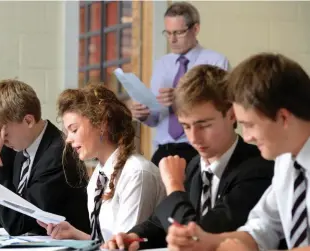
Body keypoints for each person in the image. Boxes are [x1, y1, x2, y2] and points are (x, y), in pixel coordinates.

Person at [104, 65, 274, 251]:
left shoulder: (258, 168)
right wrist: (134, 236)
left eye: (204, 125)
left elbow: (198, 237)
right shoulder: (194, 165)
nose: (193, 138)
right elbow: (161, 222)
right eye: (186, 126)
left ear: (232, 115)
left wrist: (175, 186)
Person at [165, 53, 310, 251]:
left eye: (249, 125)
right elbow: (262, 229)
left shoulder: (263, 165)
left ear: (283, 118)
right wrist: (204, 241)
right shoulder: (286, 163)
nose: (247, 136)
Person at [0, 79, 90, 236]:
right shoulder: (21, 148)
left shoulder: (59, 154)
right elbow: (18, 210)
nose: (3, 143)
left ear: (28, 121)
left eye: (5, 135)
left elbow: (18, 223)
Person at [37, 84, 166, 242]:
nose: (68, 139)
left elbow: (124, 246)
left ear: (102, 124)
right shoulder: (98, 176)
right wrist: (75, 234)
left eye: (74, 129)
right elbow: (107, 243)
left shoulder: (136, 173)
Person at [131, 2, 230, 166]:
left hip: (199, 149)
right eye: (168, 33)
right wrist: (144, 115)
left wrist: (181, 98)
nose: (172, 39)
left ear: (195, 29)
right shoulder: (161, 64)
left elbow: (223, 106)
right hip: (164, 149)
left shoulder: (216, 61)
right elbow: (155, 119)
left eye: (178, 33)